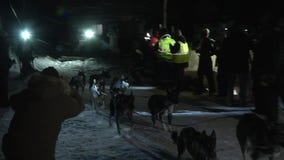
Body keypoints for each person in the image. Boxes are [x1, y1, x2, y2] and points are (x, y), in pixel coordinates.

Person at [1, 67, 84, 160]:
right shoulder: (62, 101)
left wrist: (30, 87)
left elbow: (13, 101)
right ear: (59, 81)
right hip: (42, 154)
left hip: (13, 150)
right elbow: (80, 106)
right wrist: (71, 90)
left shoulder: (27, 94)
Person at [223, 22, 252, 106]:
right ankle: (242, 101)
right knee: (243, 84)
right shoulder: (245, 38)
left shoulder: (229, 38)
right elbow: (250, 49)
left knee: (230, 83)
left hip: (231, 63)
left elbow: (225, 51)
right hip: (242, 63)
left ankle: (229, 101)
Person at [196, 28, 217, 96]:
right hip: (205, 59)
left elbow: (213, 50)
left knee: (205, 75)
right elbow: (213, 50)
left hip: (205, 59)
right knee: (204, 75)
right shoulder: (206, 40)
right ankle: (207, 90)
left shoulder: (207, 41)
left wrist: (206, 53)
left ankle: (209, 90)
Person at [0, 28, 12, 108]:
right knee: (3, 85)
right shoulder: (3, 43)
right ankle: (4, 102)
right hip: (3, 66)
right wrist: (8, 62)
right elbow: (4, 56)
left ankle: (4, 101)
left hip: (3, 65)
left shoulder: (4, 43)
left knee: (3, 85)